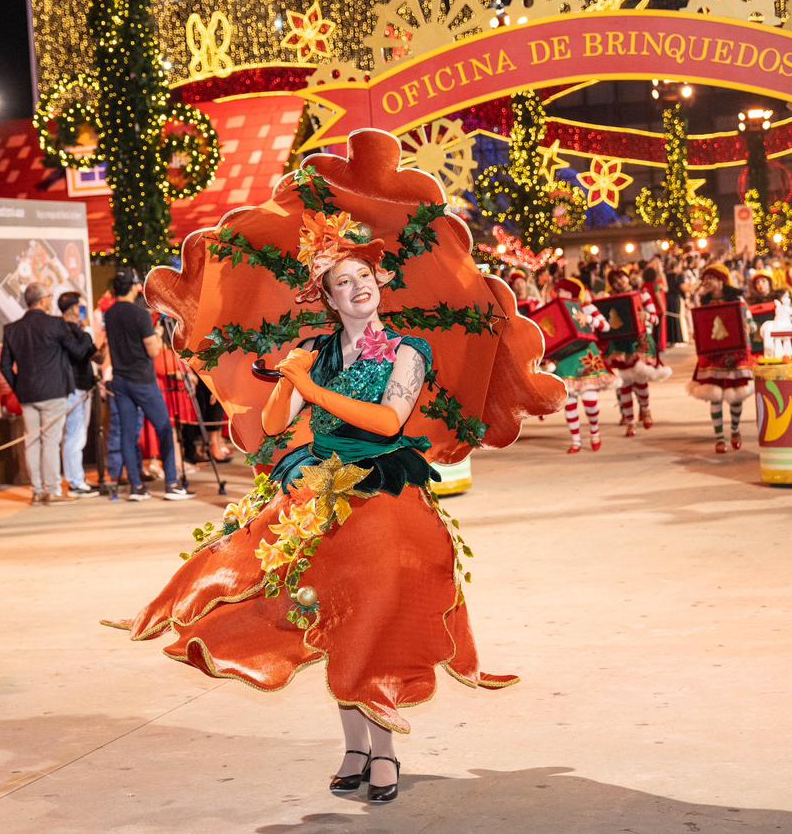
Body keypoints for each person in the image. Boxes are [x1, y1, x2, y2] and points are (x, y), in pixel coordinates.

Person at [109, 142, 563, 806]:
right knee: (325, 614)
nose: (356, 291)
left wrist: (313, 391)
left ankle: (384, 754)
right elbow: (269, 423)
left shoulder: (405, 349)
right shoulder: (314, 351)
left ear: (379, 286)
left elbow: (387, 422)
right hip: (316, 493)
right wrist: (289, 378)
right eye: (342, 284)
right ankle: (355, 746)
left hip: (385, 496)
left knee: (379, 615)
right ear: (325, 296)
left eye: (364, 281)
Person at [0, 282, 96, 505]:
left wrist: (18, 386)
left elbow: (5, 366)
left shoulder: (12, 329)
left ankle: (37, 490)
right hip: (54, 392)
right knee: (50, 441)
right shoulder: (55, 324)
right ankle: (52, 490)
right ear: (43, 300)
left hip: (27, 394)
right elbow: (79, 352)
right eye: (49, 297)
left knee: (32, 442)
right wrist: (86, 334)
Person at [102, 270, 193, 501]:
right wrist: (158, 332)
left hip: (120, 381)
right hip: (142, 379)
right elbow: (152, 350)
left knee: (127, 434)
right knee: (164, 427)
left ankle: (136, 488)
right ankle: (171, 483)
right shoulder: (140, 315)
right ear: (134, 287)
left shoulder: (109, 314)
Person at [688, 264, 754, 454]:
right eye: (705, 278)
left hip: (734, 353)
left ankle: (734, 430)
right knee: (714, 395)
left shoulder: (736, 297)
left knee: (735, 396)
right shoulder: (704, 301)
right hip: (713, 355)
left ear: (721, 280)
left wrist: (749, 328)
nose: (706, 281)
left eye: (710, 278)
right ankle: (719, 437)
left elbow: (748, 318)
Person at [601, 267, 670, 436]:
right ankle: (630, 422)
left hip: (640, 341)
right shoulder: (612, 300)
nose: (620, 282)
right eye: (615, 281)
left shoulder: (643, 294)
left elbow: (655, 318)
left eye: (621, 278)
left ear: (627, 277)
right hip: (620, 344)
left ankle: (645, 410)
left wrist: (645, 316)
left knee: (640, 379)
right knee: (624, 383)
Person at [550, 277, 616, 453]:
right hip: (566, 358)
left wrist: (588, 319)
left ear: (572, 292)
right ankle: (576, 440)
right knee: (569, 401)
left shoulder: (586, 306)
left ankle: (595, 432)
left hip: (586, 354)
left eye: (563, 290)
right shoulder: (555, 310)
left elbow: (605, 326)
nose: (560, 294)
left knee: (590, 401)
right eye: (559, 291)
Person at [57, 292, 102, 497]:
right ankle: (75, 481)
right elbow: (77, 352)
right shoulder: (65, 330)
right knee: (74, 436)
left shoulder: (79, 332)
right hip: (74, 387)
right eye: (81, 307)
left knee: (76, 435)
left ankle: (76, 478)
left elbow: (95, 356)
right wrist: (86, 333)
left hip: (81, 386)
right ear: (74, 309)